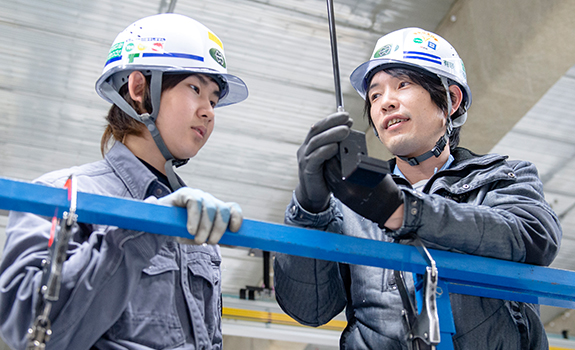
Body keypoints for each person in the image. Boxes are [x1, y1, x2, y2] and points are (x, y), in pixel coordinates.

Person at [274, 27, 562, 349]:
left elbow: (533, 237)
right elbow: (309, 308)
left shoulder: (502, 177)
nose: (385, 103)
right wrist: (308, 211)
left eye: (402, 84)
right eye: (374, 95)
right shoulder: (351, 205)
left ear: (451, 100)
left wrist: (402, 211)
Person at [0, 13, 248, 350]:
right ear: (138, 87)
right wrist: (142, 229)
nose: (209, 111)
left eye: (214, 100)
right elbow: (25, 326)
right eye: (195, 88)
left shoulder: (198, 227)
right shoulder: (63, 194)